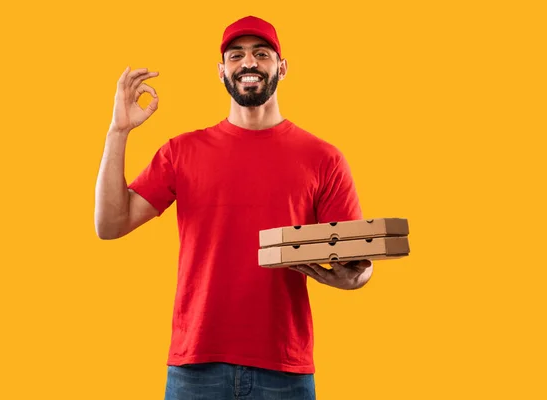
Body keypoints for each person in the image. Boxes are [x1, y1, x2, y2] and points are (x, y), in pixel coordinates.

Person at [94, 15, 373, 400]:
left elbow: (357, 259)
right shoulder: (182, 152)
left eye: (262, 53)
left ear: (282, 67)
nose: (249, 63)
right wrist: (118, 131)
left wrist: (355, 277)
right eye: (236, 54)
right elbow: (111, 223)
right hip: (196, 366)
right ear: (222, 70)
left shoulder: (323, 158)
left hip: (284, 370)